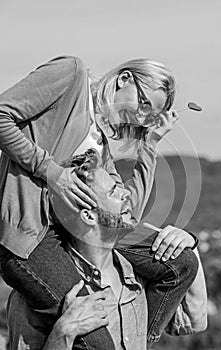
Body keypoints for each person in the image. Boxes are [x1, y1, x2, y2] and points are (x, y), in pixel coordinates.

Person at [0, 56, 200, 349]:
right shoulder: (71, 75)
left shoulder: (100, 146)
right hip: (32, 238)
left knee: (181, 264)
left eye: (150, 116)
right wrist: (52, 172)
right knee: (94, 332)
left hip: (77, 232)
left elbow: (125, 214)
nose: (140, 118)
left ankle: (138, 340)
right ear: (124, 79)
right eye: (143, 104)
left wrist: (150, 145)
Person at [7, 149, 205, 350]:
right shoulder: (39, 295)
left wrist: (189, 245)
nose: (125, 193)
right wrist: (63, 332)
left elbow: (195, 321)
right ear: (88, 216)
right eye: (112, 192)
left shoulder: (139, 276)